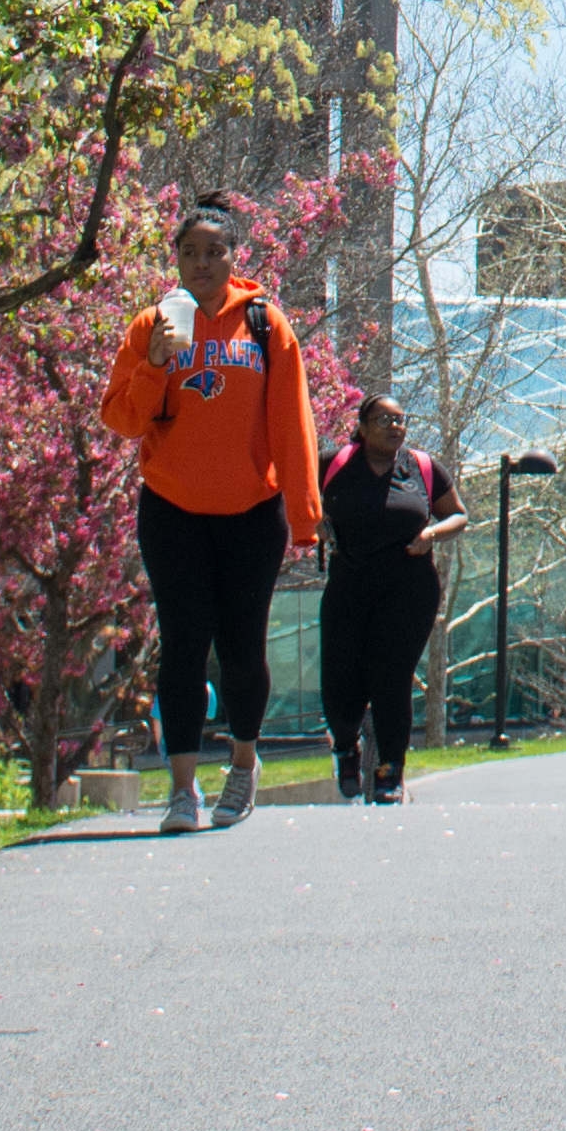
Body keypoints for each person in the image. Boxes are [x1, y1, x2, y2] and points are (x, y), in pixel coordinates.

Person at [97, 203, 324, 834]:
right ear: (176, 259)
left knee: (242, 648)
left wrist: (305, 517)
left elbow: (291, 426)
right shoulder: (152, 323)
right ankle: (181, 790)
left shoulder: (264, 325)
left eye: (214, 251)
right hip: (172, 512)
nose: (202, 263)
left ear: (234, 257)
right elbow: (120, 419)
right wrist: (154, 363)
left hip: (252, 513)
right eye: (190, 252)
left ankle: (243, 766)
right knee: (184, 648)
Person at [316, 390, 457, 803]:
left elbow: (458, 514)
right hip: (349, 585)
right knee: (341, 682)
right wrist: (316, 521)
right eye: (384, 420)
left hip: (408, 588)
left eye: (401, 420)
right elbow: (298, 495)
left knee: (391, 680)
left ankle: (389, 774)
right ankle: (346, 747)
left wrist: (431, 533)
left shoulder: (423, 468)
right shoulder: (334, 464)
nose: (396, 427)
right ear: (362, 427)